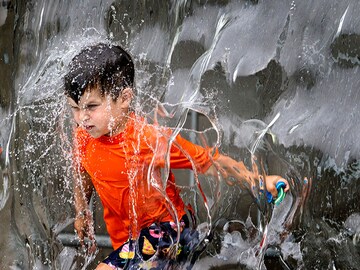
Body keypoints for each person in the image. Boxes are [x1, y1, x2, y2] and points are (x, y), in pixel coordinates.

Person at [64, 43, 289, 269]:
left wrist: (258, 180)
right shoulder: (83, 137)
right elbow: (82, 171)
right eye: (74, 108)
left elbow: (207, 161)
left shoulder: (147, 140)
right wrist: (82, 211)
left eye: (91, 106)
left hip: (169, 232)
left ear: (124, 99)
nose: (82, 117)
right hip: (129, 241)